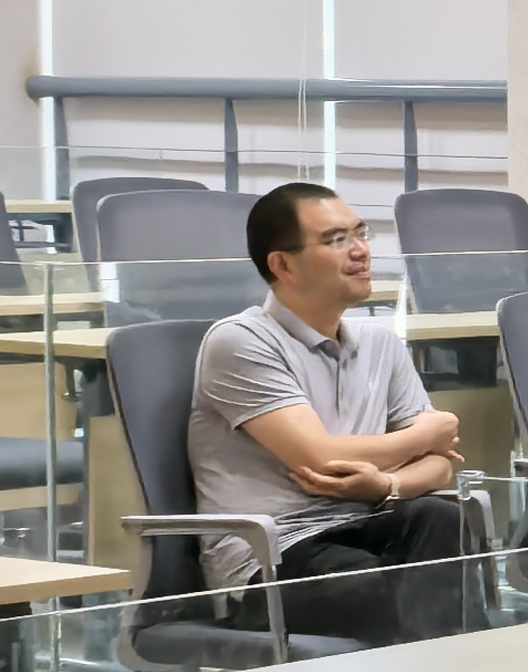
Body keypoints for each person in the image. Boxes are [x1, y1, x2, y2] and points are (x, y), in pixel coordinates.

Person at [185, 183, 473, 647]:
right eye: (337, 240)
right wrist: (426, 435)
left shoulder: (380, 343)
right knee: (378, 583)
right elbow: (320, 458)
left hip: (366, 523)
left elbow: (440, 467)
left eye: (361, 234)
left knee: (443, 519)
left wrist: (386, 485)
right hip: (275, 554)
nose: (361, 251)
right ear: (283, 265)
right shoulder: (240, 340)